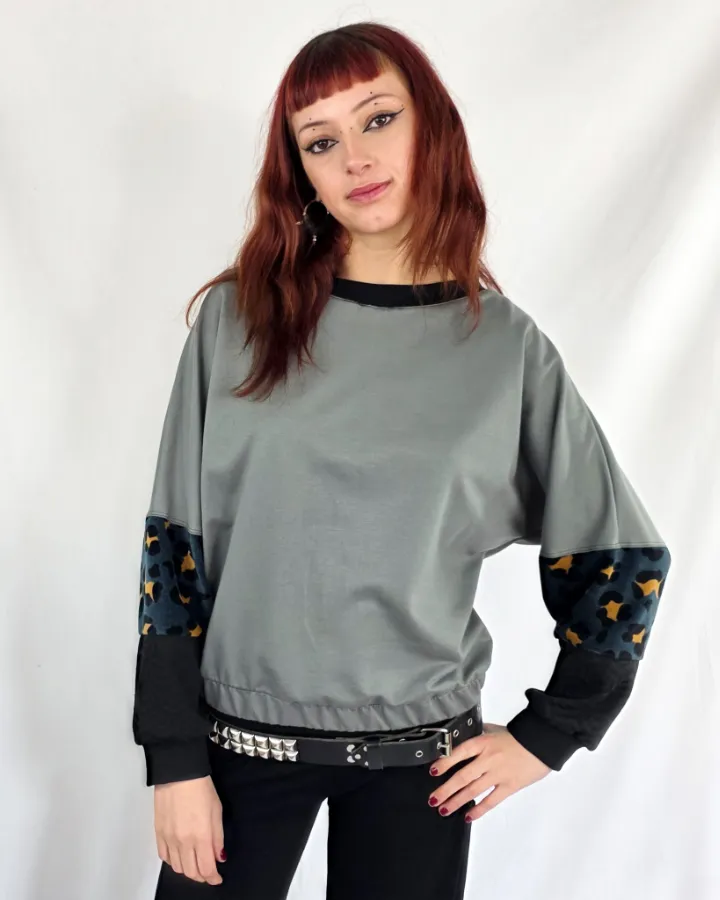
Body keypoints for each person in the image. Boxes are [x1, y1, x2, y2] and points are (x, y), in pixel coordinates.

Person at [132, 21, 672, 900]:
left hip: (424, 767)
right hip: (237, 750)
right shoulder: (238, 324)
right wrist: (174, 760)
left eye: (378, 119)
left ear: (431, 127)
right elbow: (173, 554)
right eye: (321, 140)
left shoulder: (505, 349)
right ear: (301, 172)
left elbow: (621, 558)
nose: (355, 158)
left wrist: (550, 734)